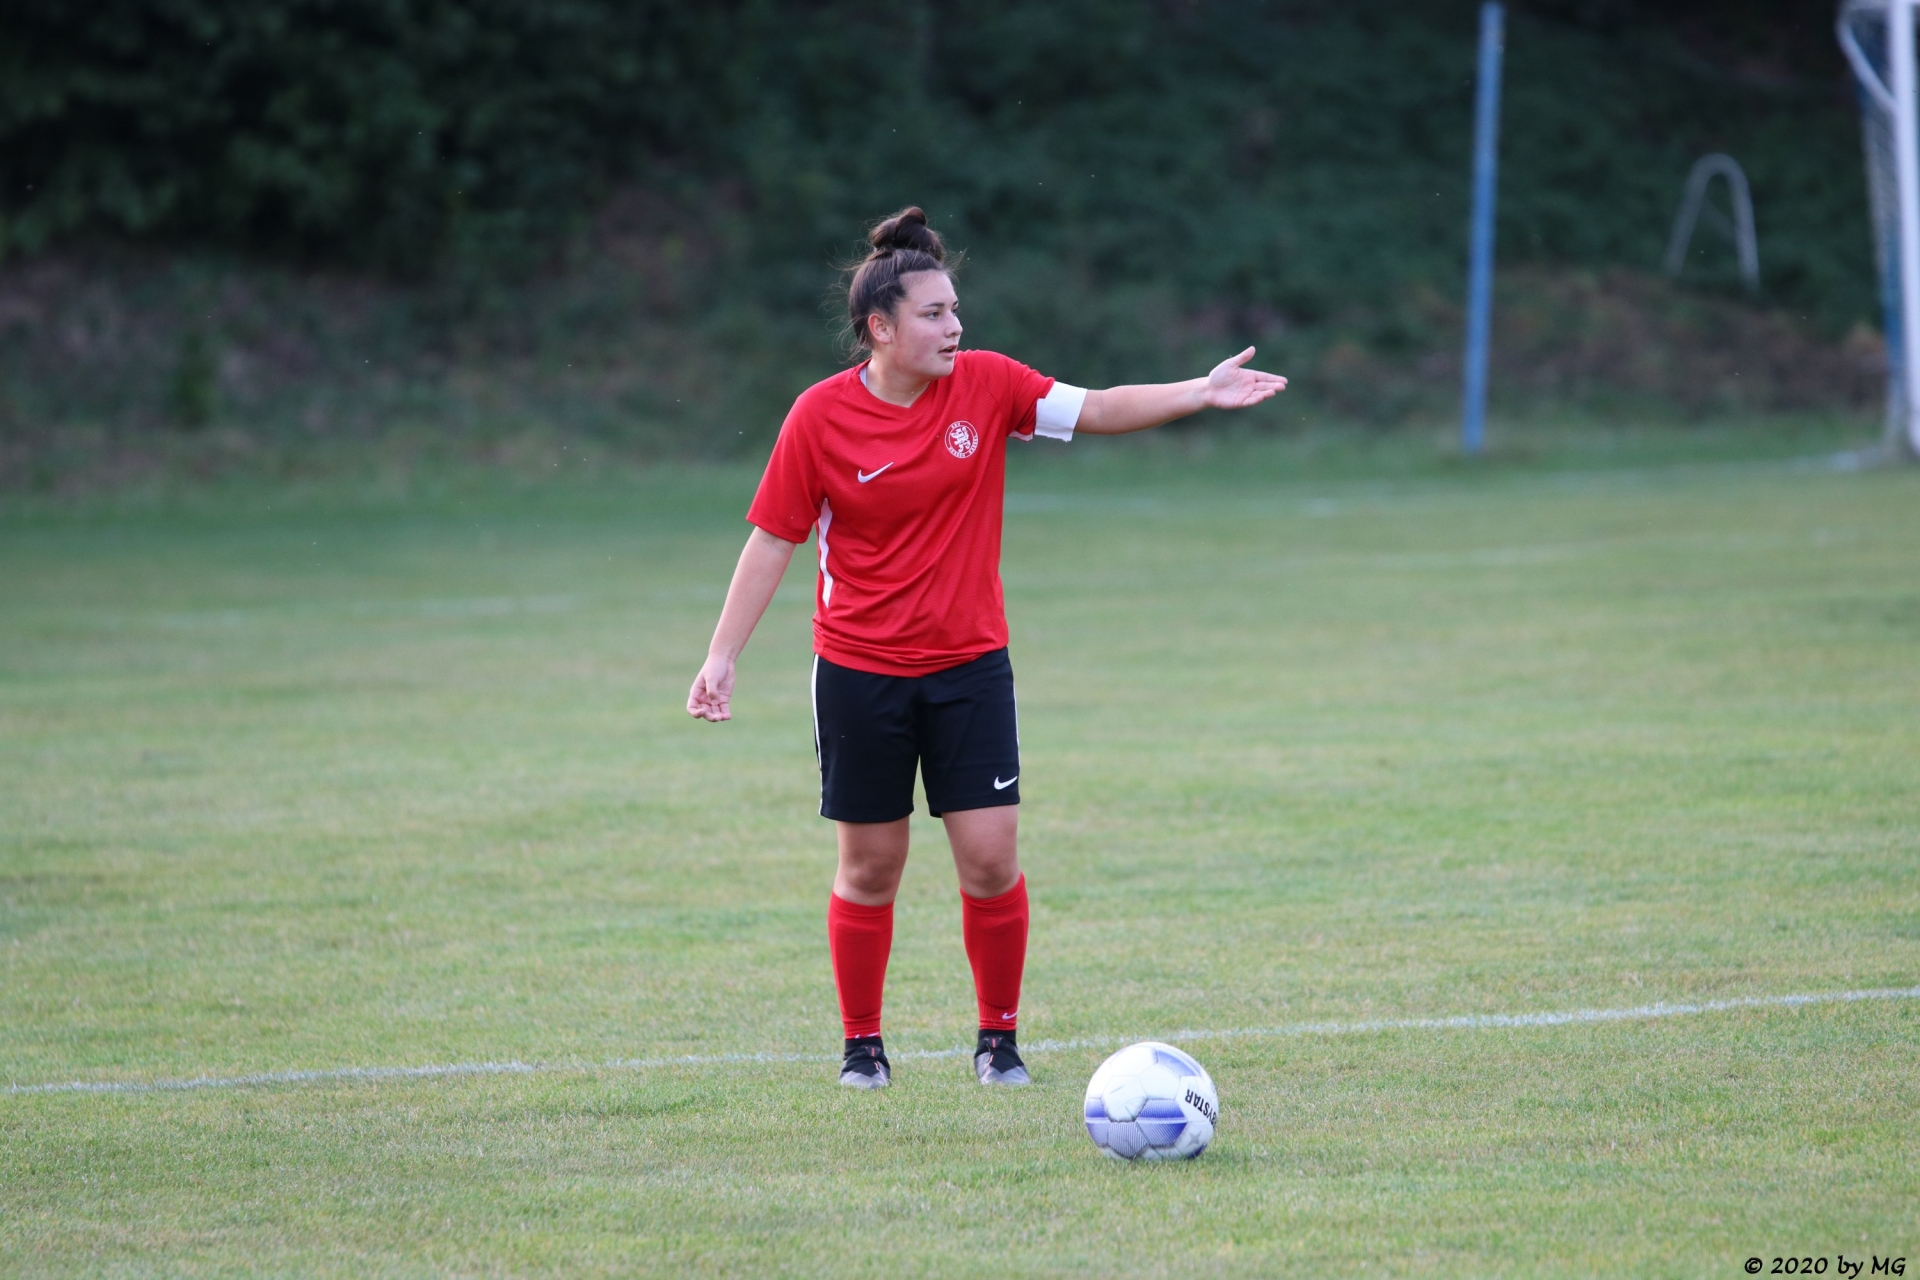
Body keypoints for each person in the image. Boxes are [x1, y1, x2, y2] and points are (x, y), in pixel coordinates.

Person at [687, 206, 1285, 1089]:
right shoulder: (818, 417)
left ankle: (999, 1043)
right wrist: (722, 655)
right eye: (933, 314)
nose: (954, 327)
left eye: (955, 310)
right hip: (859, 673)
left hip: (970, 669)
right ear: (879, 328)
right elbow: (773, 538)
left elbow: (1097, 408)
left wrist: (1199, 390)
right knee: (870, 867)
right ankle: (862, 1048)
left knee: (992, 858)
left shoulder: (989, 385)